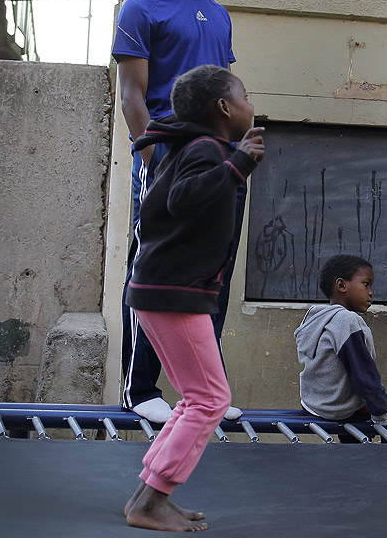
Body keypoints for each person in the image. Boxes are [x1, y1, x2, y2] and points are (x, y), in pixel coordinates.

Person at [112, 0, 245, 423]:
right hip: (167, 153)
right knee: (153, 268)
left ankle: (204, 391)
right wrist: (151, 156)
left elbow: (222, 94)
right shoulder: (142, 8)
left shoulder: (219, 13)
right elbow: (132, 96)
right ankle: (139, 387)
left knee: (215, 269)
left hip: (218, 154)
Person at [123, 65, 265, 532]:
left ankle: (148, 496)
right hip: (174, 293)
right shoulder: (207, 150)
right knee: (210, 400)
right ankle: (152, 501)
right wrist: (238, 164)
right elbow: (185, 200)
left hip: (162, 289)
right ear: (224, 108)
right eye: (243, 95)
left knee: (193, 398)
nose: (250, 102)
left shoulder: (192, 148)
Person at [294, 255, 387, 431]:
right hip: (337, 408)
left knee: (364, 407)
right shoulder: (346, 321)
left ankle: (351, 450)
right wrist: (381, 414)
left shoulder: (317, 318)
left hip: (312, 403)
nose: (371, 292)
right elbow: (362, 372)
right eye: (366, 284)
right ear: (341, 285)